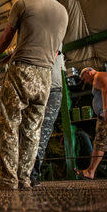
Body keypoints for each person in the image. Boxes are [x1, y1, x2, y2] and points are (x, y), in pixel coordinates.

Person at [0, 0, 68, 189]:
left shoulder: (22, 3)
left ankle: (7, 180)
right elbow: (54, 51)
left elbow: (7, 36)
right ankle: (24, 179)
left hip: (22, 70)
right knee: (33, 129)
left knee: (8, 123)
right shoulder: (63, 11)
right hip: (46, 76)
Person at [30, 46, 65, 187]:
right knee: (31, 132)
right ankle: (26, 174)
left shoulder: (55, 33)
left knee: (42, 134)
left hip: (52, 90)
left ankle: (32, 174)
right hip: (36, 90)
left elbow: (52, 55)